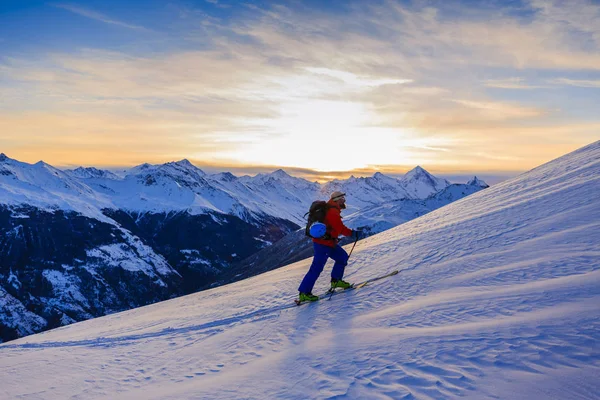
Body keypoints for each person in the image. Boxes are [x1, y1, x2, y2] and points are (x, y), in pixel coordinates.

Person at [298, 191, 361, 302]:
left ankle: (336, 281)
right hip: (323, 244)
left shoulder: (332, 209)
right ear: (337, 200)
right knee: (317, 267)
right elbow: (340, 228)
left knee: (342, 257)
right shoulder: (332, 211)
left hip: (329, 243)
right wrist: (353, 233)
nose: (344, 201)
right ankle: (304, 293)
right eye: (342, 199)